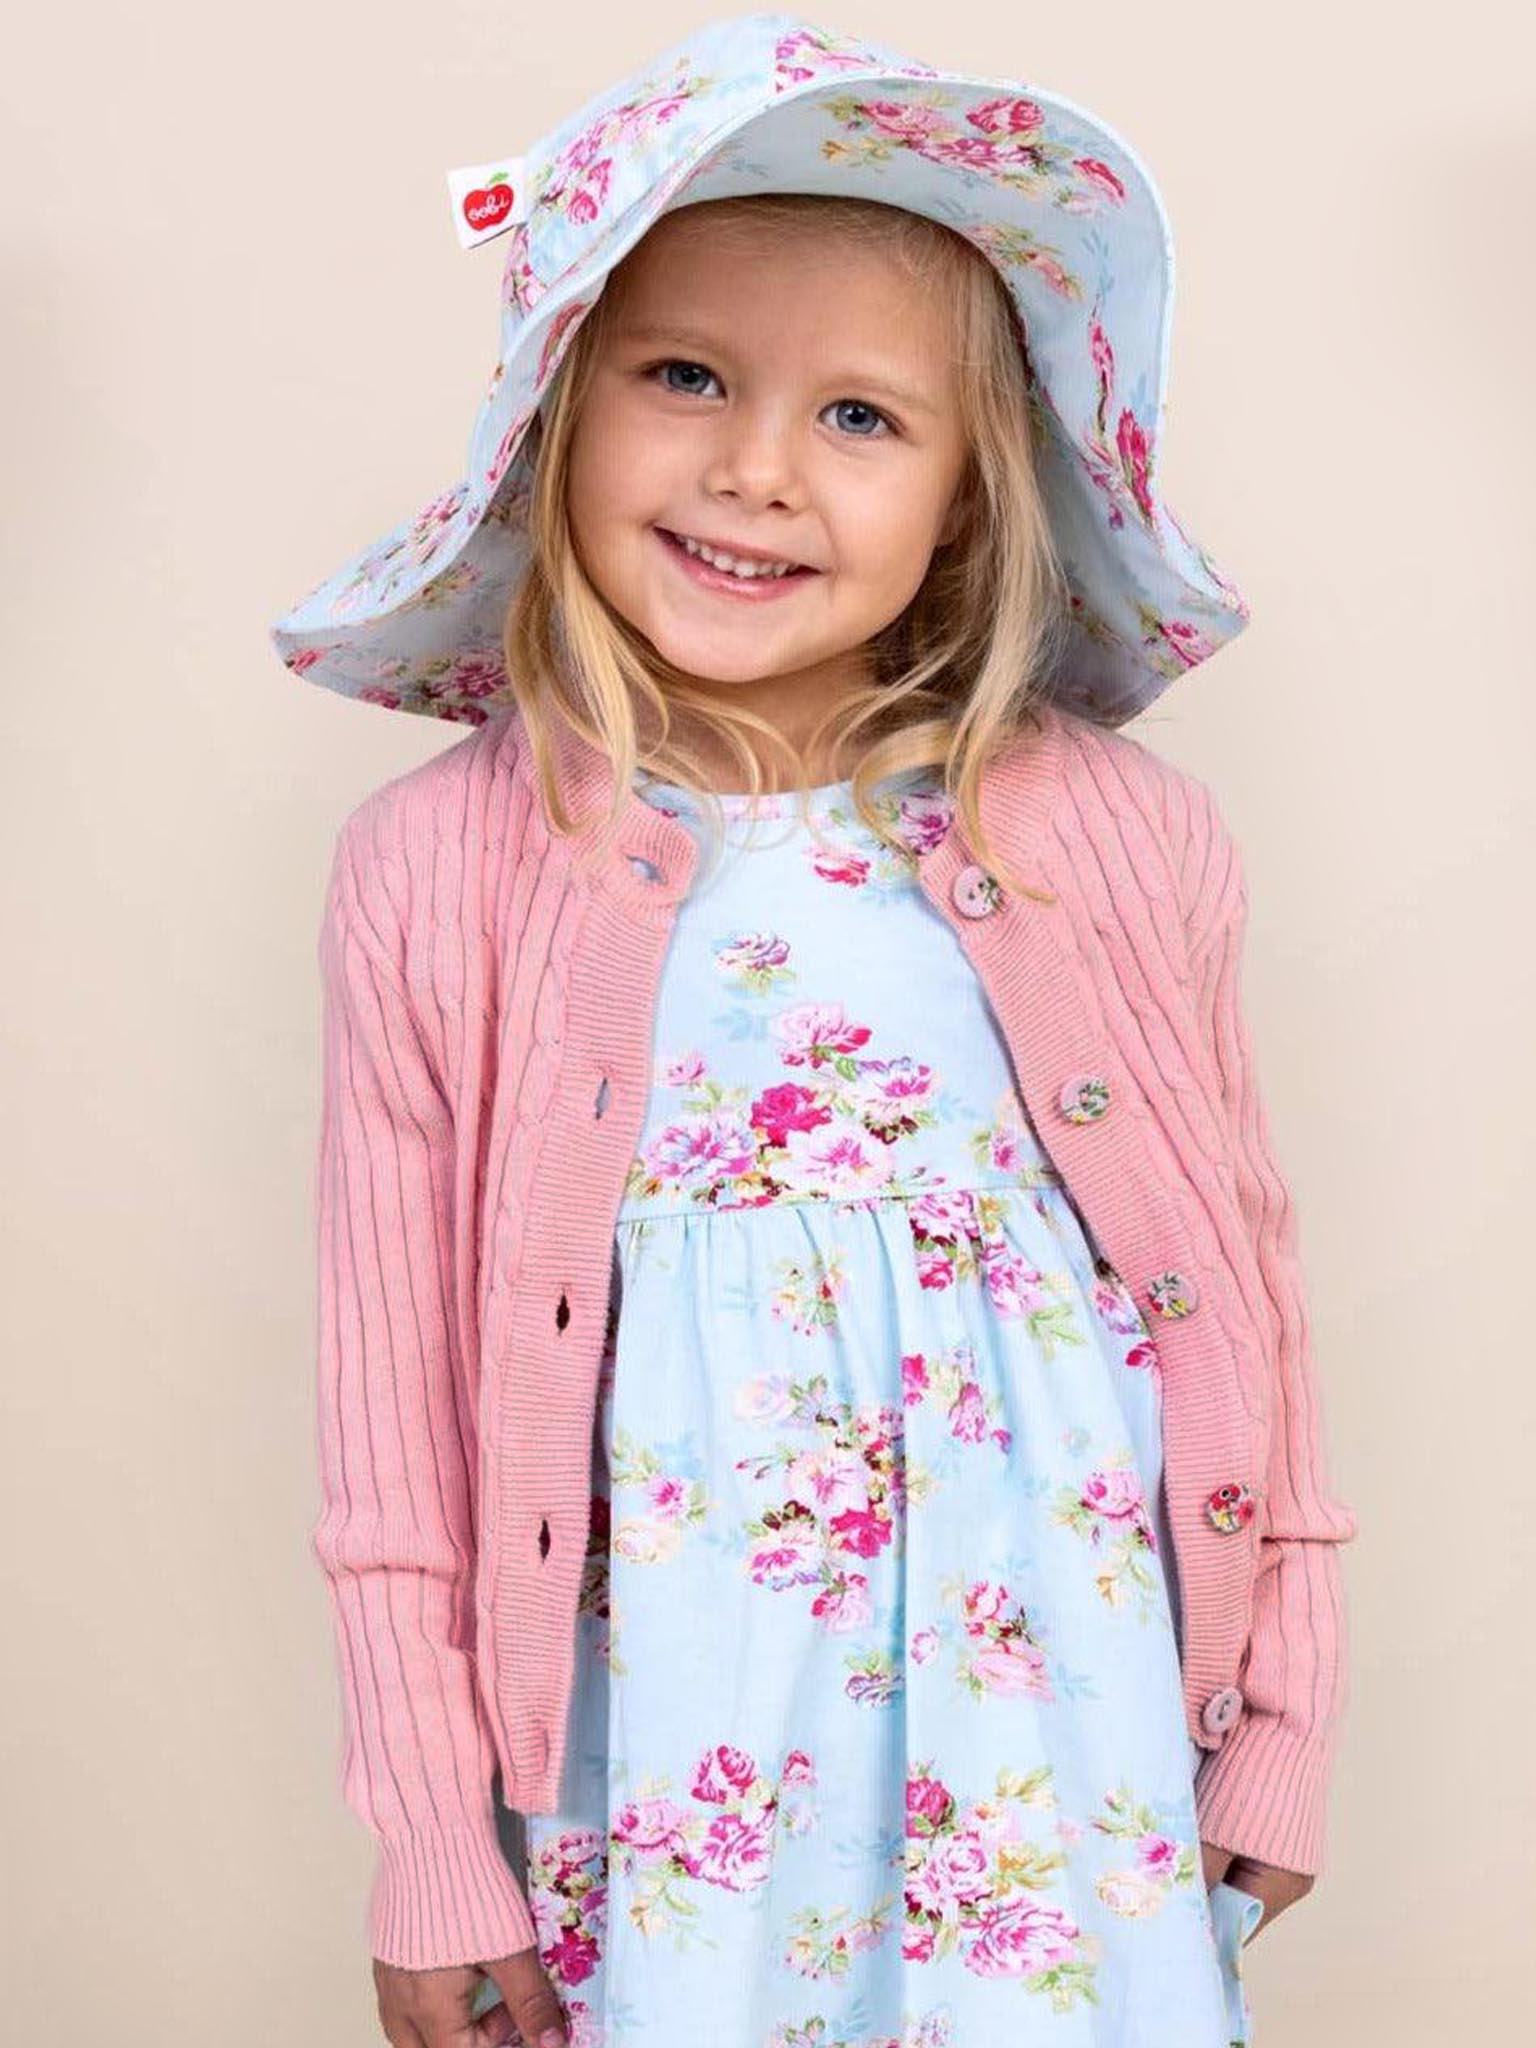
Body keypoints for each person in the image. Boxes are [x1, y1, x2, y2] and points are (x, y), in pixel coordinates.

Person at [272, 14, 1358, 2046]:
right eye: (684, 374)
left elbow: (1250, 1305)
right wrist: (430, 1834)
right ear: (555, 414)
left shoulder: (1120, 843)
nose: (756, 468)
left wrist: (1283, 1708)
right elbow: (389, 1434)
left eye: (862, 415)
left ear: (966, 499)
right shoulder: (438, 871)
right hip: (665, 1752)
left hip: (1062, 1739)